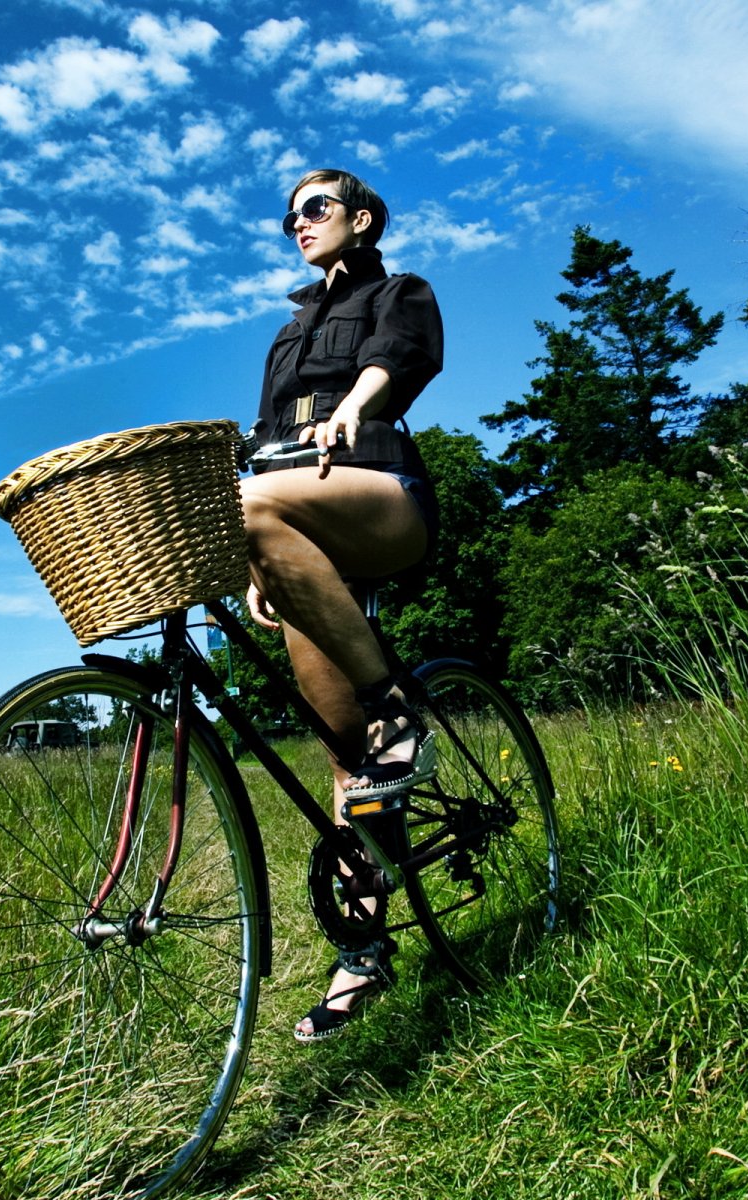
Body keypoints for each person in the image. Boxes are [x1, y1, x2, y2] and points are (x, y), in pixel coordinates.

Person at [240, 168, 444, 1041]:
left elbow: (397, 362)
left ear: (360, 219)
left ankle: (401, 707)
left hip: (380, 490)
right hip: (292, 523)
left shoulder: (401, 291)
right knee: (346, 768)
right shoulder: (285, 336)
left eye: (315, 207)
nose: (299, 222)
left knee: (252, 505)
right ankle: (363, 954)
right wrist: (262, 559)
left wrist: (353, 410)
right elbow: (259, 446)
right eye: (289, 214)